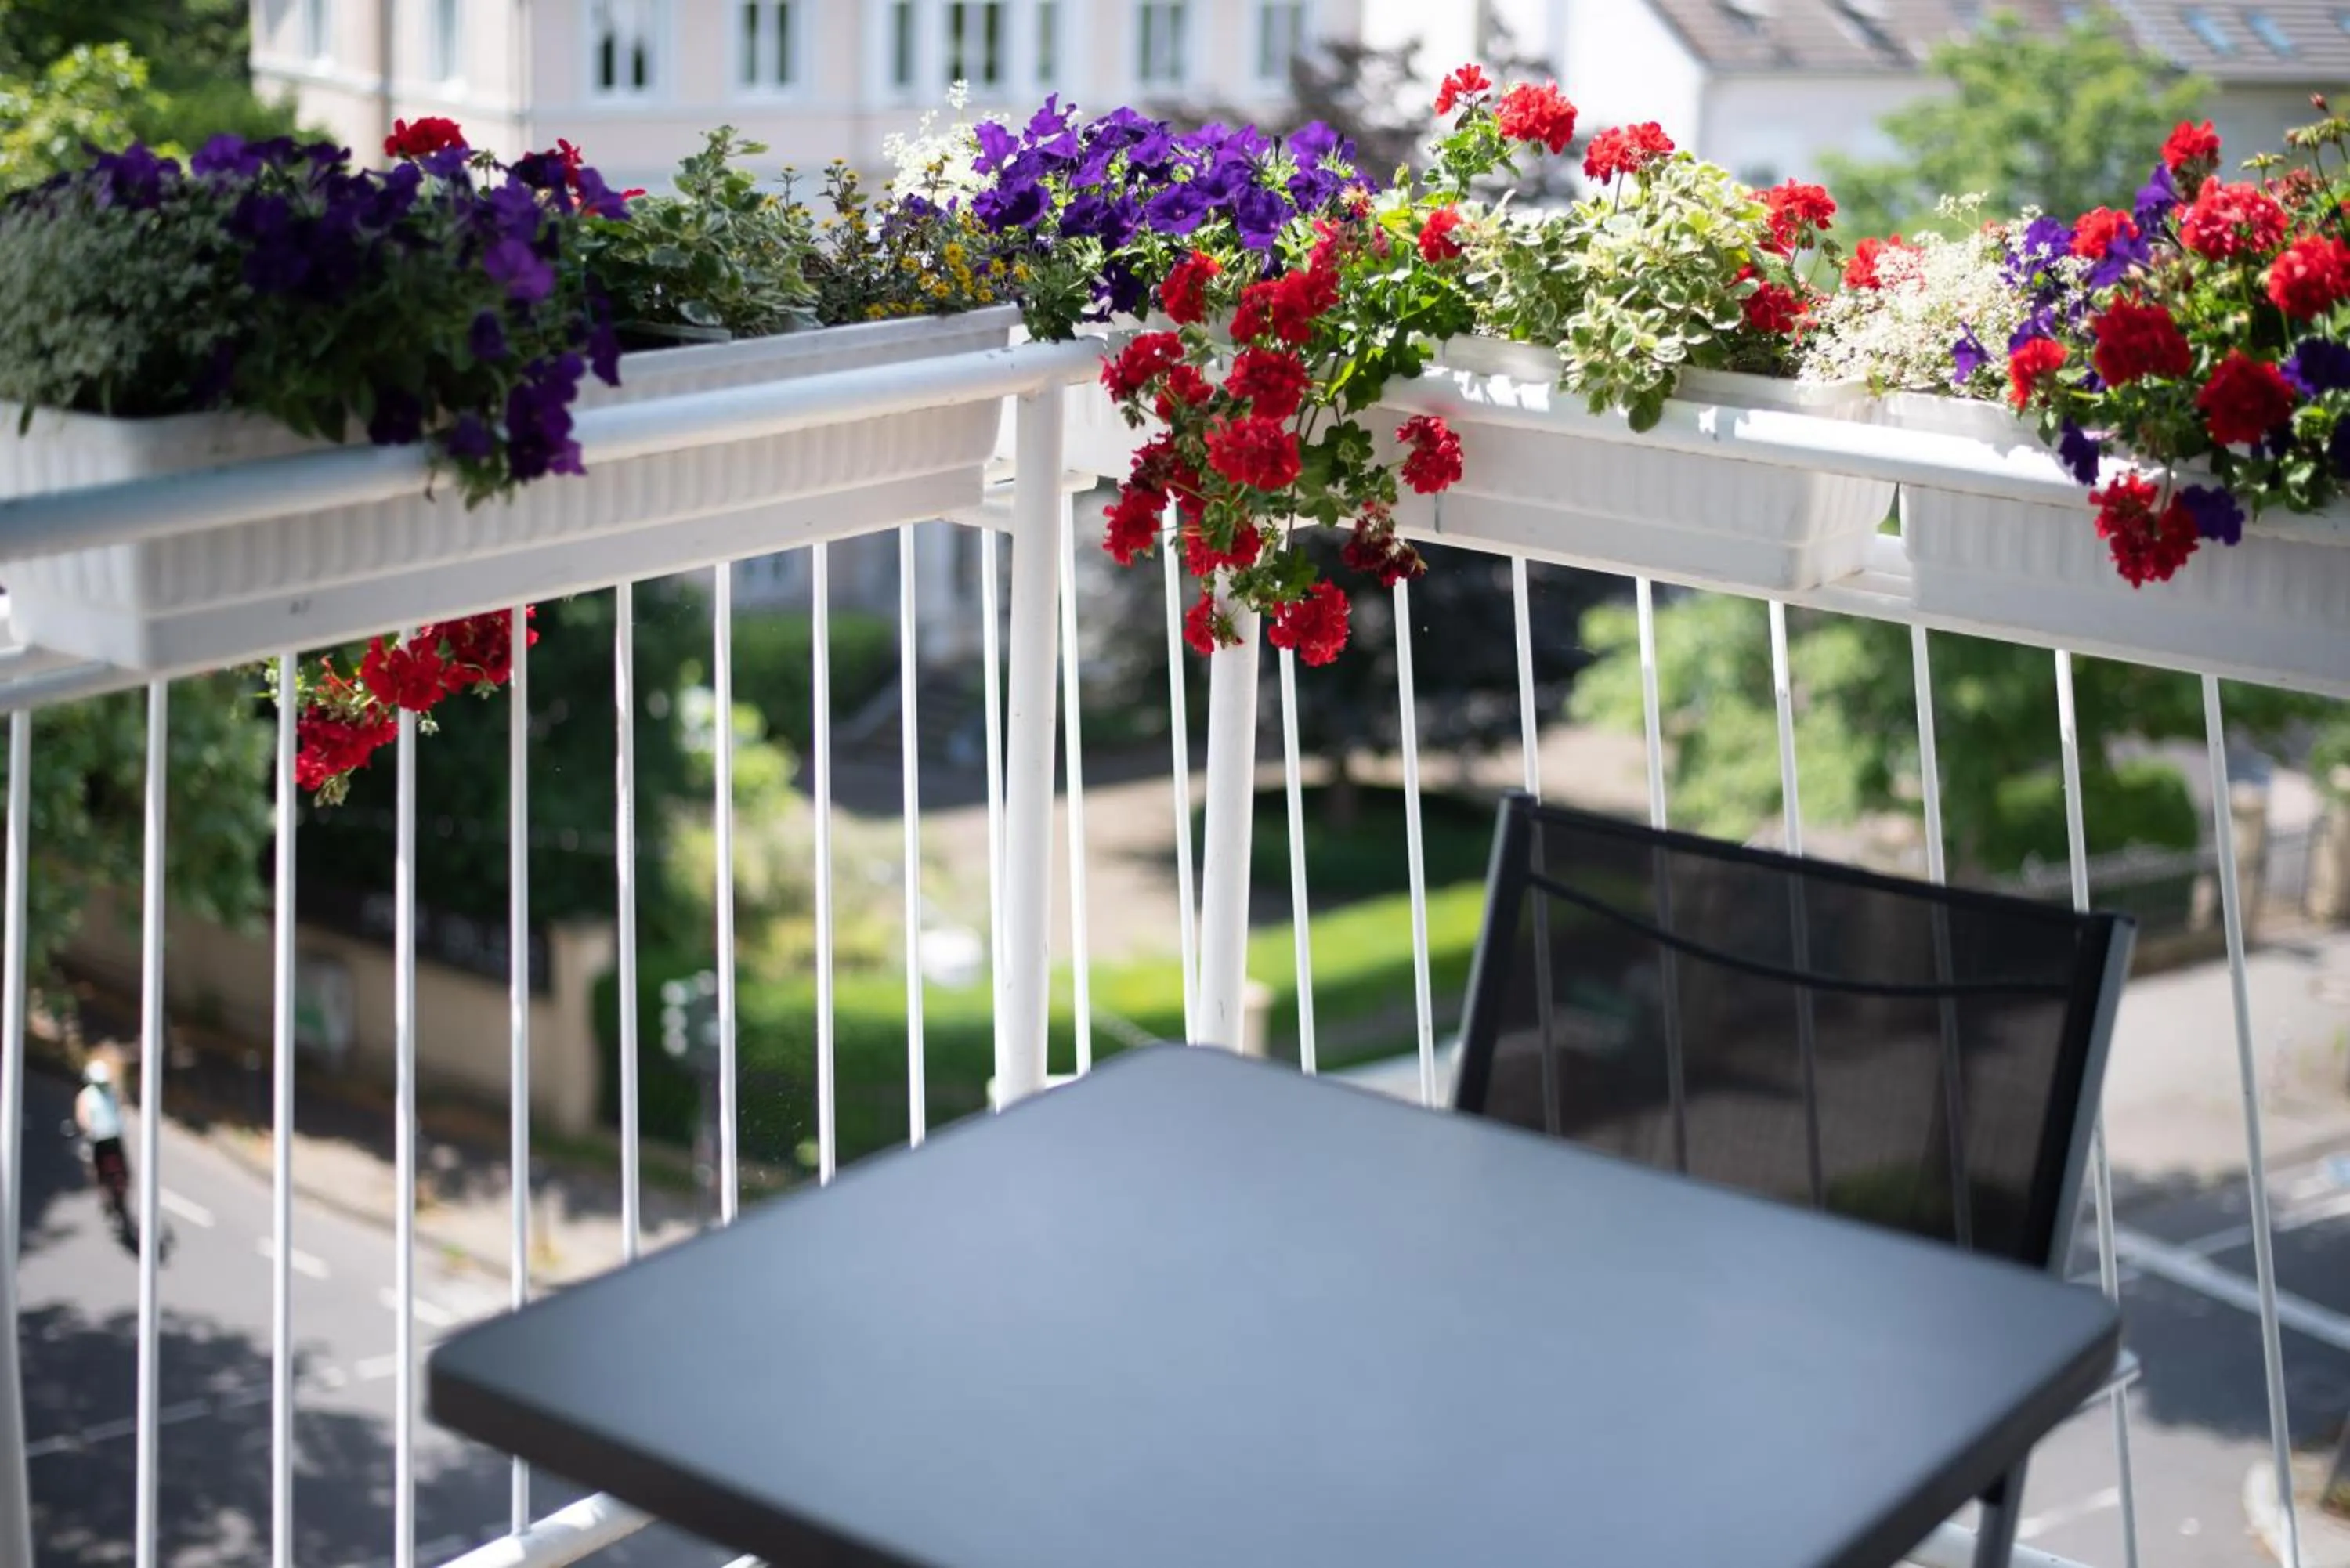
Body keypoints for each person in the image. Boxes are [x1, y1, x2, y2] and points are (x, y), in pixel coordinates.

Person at [74, 1060, 131, 1230]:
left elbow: (119, 1109)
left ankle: (116, 1199)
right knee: (101, 1172)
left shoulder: (106, 1093)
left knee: (119, 1173)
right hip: (102, 1140)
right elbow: (83, 1117)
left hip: (109, 1139)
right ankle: (109, 1199)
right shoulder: (89, 1096)